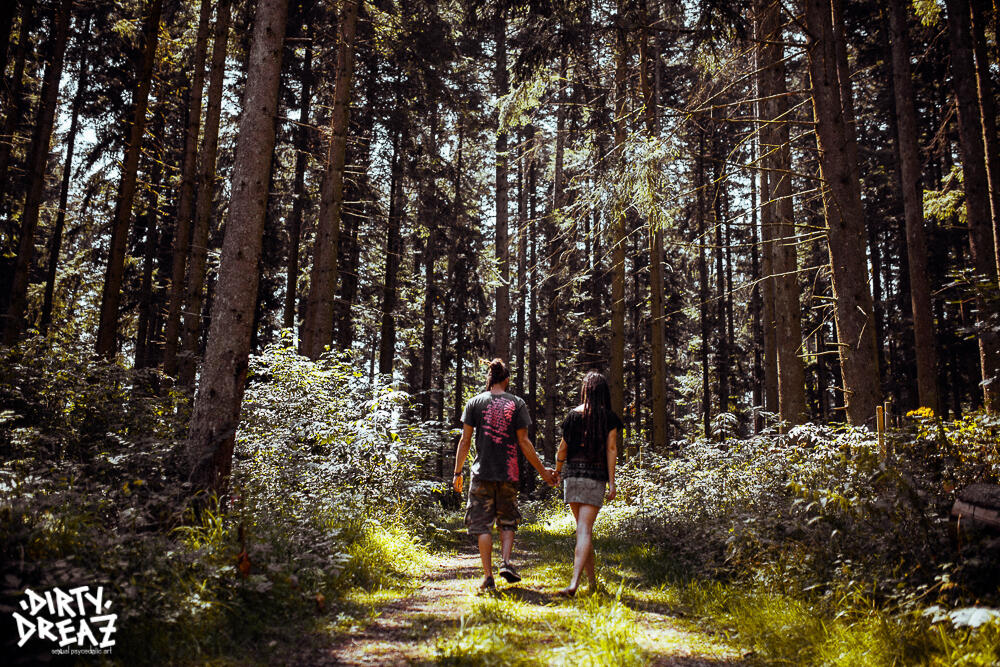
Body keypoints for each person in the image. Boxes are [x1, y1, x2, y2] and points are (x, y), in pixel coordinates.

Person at [453, 358, 557, 591]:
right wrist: (543, 472)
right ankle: (507, 562)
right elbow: (524, 442)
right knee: (507, 521)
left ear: (489, 379)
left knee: (482, 525)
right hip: (509, 473)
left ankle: (488, 576)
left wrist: (457, 472)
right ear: (507, 380)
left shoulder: (474, 403)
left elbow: (465, 440)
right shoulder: (517, 403)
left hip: (482, 474)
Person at [553, 371, 622, 596]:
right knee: (584, 530)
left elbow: (562, 449)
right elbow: (611, 450)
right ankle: (574, 583)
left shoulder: (573, 415)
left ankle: (592, 584)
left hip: (572, 477)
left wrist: (557, 471)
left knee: (583, 530)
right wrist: (612, 483)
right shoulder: (609, 418)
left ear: (585, 391)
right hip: (595, 478)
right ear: (603, 392)